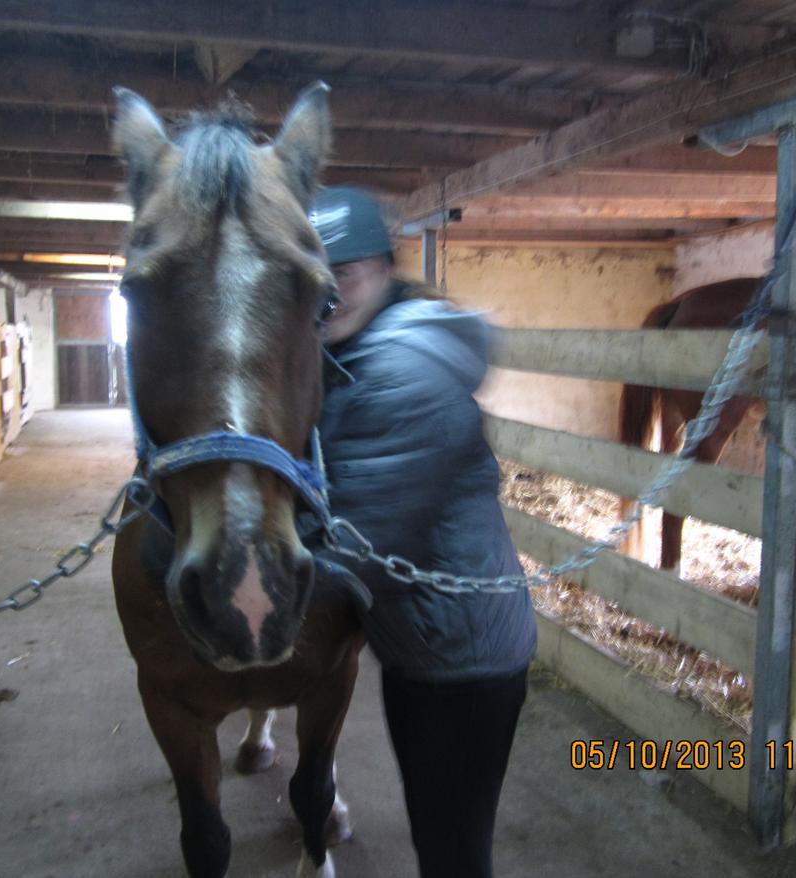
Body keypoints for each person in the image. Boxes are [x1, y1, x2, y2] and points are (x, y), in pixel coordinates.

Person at [307, 185, 538, 878]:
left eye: (343, 275)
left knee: (453, 853)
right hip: (424, 645)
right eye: (313, 280)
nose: (328, 295)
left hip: (462, 663)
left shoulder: (401, 373)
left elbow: (356, 543)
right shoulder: (354, 353)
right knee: (440, 837)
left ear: (382, 268)